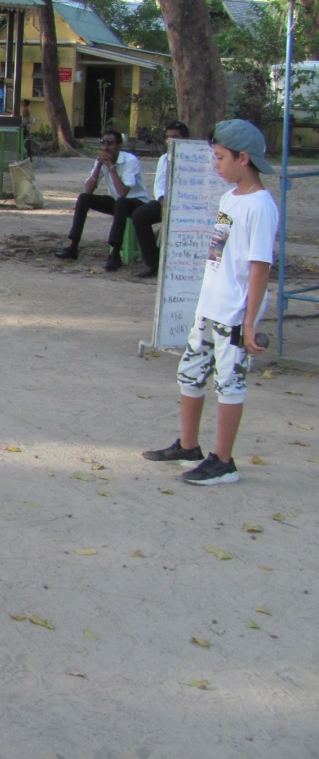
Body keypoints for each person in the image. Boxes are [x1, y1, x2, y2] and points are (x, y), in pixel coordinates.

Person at [142, 120, 278, 485]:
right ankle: (188, 446)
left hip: (235, 312)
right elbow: (219, 254)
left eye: (220, 157)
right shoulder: (229, 197)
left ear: (243, 158)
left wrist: (249, 323)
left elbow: (260, 268)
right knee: (190, 373)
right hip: (210, 305)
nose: (215, 164)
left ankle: (224, 461)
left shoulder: (260, 206)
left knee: (229, 384)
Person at [54, 129, 150, 271]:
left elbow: (123, 192)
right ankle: (73, 246)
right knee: (84, 198)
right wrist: (98, 167)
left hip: (136, 203)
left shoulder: (130, 161)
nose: (106, 148)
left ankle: (115, 253)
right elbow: (89, 189)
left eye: (110, 144)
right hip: (117, 202)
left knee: (121, 202)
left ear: (118, 146)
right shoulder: (101, 162)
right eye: (103, 143)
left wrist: (111, 168)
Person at [132, 121, 188, 279]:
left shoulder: (194, 157)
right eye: (168, 137)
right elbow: (159, 184)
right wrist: (162, 199)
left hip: (188, 205)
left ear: (184, 138)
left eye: (175, 137)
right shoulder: (164, 159)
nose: (171, 141)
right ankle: (153, 262)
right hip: (167, 202)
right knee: (140, 215)